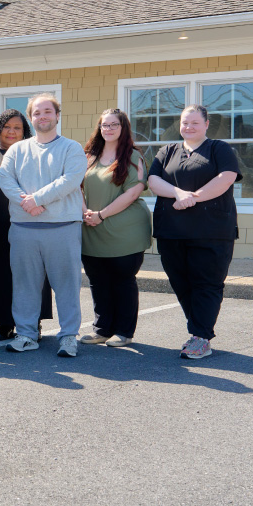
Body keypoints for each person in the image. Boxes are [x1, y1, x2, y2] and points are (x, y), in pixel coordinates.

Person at [147, 104, 241, 360]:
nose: (188, 127)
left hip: (211, 231)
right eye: (184, 123)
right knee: (181, 283)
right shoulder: (167, 151)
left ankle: (200, 337)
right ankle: (199, 330)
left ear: (206, 124)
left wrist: (193, 198)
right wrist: (178, 193)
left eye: (194, 123)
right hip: (172, 232)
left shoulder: (219, 149)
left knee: (207, 284)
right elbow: (153, 181)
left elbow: (226, 177)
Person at [0, 94, 87, 358]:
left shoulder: (71, 148)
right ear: (31, 117)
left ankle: (69, 337)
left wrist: (37, 199)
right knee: (25, 285)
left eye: (48, 111)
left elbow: (70, 180)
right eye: (37, 113)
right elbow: (6, 180)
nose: (43, 116)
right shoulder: (17, 150)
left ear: (57, 115)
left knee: (67, 285)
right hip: (24, 228)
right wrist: (27, 204)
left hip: (62, 227)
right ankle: (26, 334)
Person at [78, 109, 152, 348]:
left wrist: (102, 214)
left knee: (122, 280)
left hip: (125, 230)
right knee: (98, 280)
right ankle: (102, 329)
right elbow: (75, 186)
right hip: (91, 227)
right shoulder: (88, 155)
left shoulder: (133, 157)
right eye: (104, 125)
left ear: (123, 128)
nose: (108, 129)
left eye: (113, 125)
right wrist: (85, 212)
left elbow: (133, 191)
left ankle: (123, 331)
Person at [0, 110, 53, 340]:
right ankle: (4, 323)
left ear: (24, 131)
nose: (11, 131)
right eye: (6, 126)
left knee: (31, 274)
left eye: (17, 127)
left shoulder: (33, 152)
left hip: (29, 221)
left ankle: (33, 322)